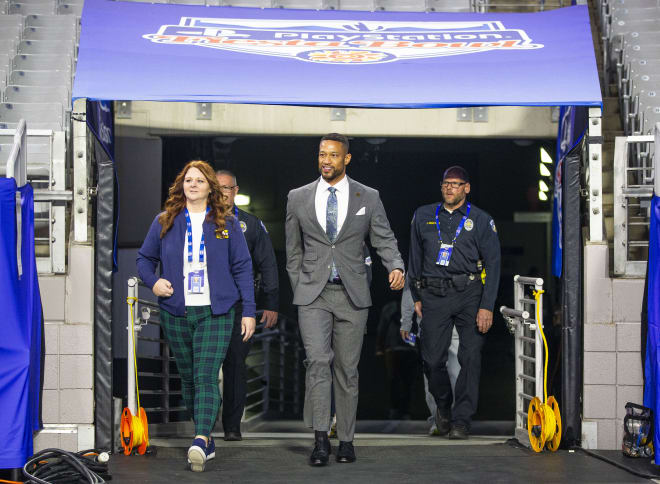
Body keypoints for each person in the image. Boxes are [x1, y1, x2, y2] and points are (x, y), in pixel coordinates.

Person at [285, 133, 405, 466]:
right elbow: (293, 251)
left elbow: (384, 238)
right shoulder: (298, 197)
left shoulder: (368, 196)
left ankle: (347, 440)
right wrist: (301, 287)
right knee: (319, 361)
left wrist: (395, 265)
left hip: (353, 293)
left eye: (333, 156)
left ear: (346, 159)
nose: (326, 161)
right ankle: (321, 439)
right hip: (314, 294)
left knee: (347, 370)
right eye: (322, 154)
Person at [136, 160, 256, 472]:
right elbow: (144, 259)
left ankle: (201, 437)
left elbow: (243, 267)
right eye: (188, 180)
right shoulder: (165, 221)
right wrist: (154, 282)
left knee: (205, 375)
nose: (192, 185)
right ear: (181, 185)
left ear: (209, 188)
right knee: (189, 379)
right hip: (176, 310)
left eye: (199, 181)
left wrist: (250, 312)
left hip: (217, 311)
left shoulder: (225, 223)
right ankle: (206, 439)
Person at [408, 165, 501, 440]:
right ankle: (444, 407)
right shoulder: (423, 215)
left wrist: (487, 305)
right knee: (431, 360)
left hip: (469, 292)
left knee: (470, 357)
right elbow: (414, 258)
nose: (450, 188)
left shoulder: (481, 220)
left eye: (456, 184)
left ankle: (461, 420)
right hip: (434, 294)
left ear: (467, 188)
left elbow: (494, 264)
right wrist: (416, 296)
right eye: (446, 184)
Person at [215, 169, 279, 442]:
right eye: (217, 188)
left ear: (235, 191)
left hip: (241, 305)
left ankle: (232, 426)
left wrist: (271, 303)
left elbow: (268, 264)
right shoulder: (196, 220)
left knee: (235, 364)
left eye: (227, 188)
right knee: (204, 366)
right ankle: (202, 424)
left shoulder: (251, 225)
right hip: (205, 304)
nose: (223, 193)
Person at [400, 280, 460, 435]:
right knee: (431, 374)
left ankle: (455, 420)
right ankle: (438, 419)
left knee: (457, 373)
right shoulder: (420, 256)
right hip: (428, 323)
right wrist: (406, 321)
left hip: (456, 322)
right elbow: (410, 285)